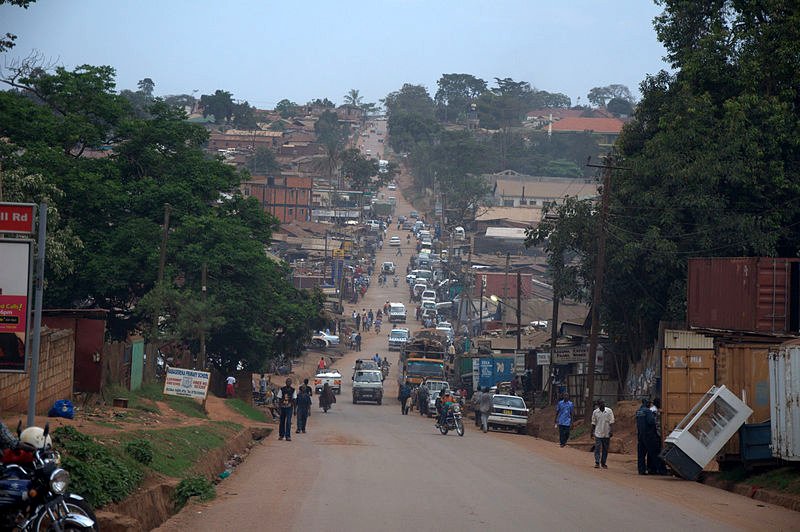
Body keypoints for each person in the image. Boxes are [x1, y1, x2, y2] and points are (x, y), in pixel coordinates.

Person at [636, 398, 658, 474]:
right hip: (648, 435)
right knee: (653, 452)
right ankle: (653, 470)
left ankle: (641, 470)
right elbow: (651, 422)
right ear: (646, 403)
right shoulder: (648, 411)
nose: (650, 404)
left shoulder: (638, 411)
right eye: (648, 403)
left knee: (641, 454)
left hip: (640, 435)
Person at [591, 400, 615, 469]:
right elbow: (593, 423)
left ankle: (603, 462)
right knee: (597, 447)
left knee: (605, 448)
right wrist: (591, 432)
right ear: (598, 405)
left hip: (606, 433)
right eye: (601, 404)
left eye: (603, 403)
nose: (603, 404)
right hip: (598, 433)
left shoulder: (609, 411)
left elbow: (611, 422)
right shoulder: (595, 412)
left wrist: (611, 431)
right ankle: (597, 462)